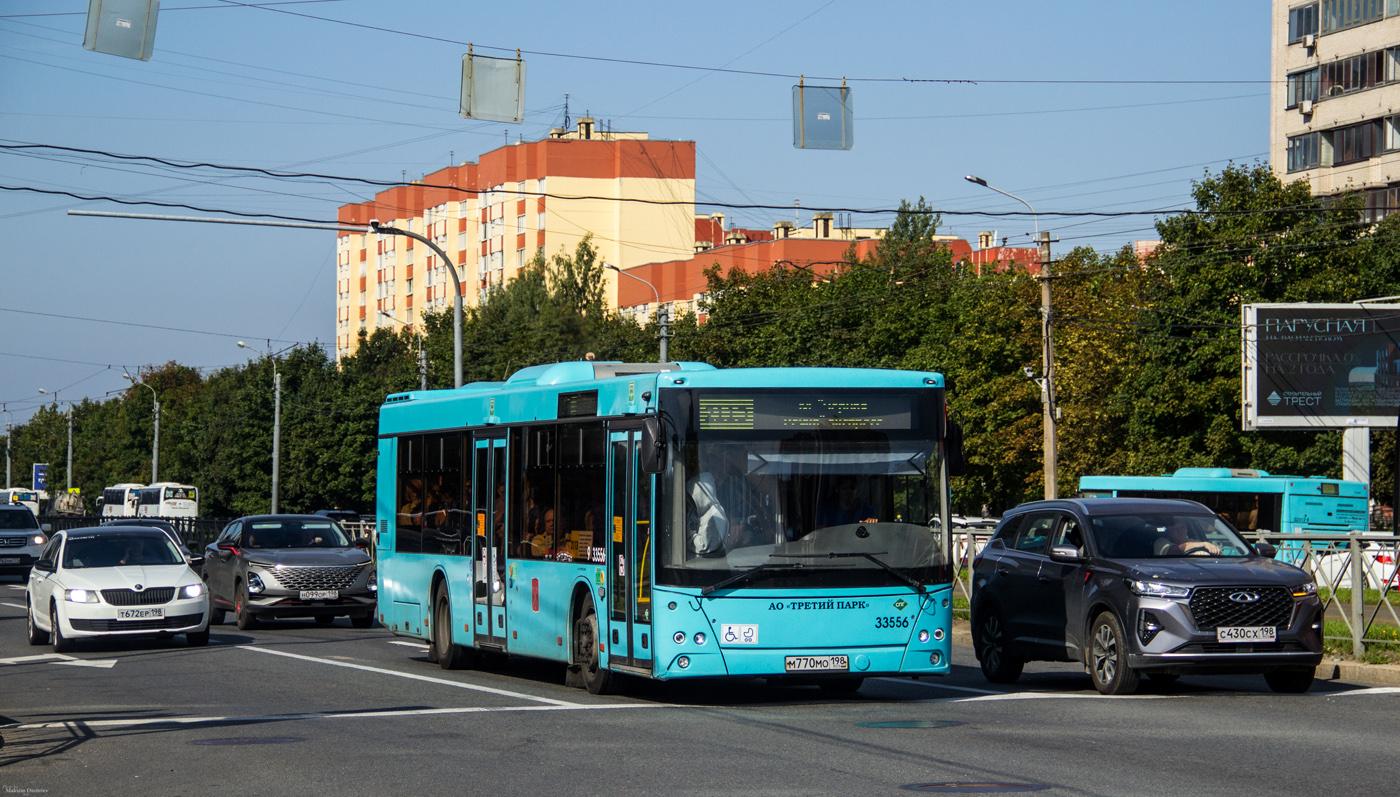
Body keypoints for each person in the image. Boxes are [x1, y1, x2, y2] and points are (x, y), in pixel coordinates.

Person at [687, 472, 727, 556]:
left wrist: (689, 534)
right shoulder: (704, 512)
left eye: (694, 497)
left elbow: (703, 546)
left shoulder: (715, 515)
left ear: (701, 495)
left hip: (709, 561)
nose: (692, 502)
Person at [1155, 518, 1220, 556]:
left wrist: (1213, 549)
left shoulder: (1194, 542)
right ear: (1169, 531)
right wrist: (1203, 544)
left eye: (1182, 527)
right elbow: (1173, 551)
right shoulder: (1161, 542)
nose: (1180, 531)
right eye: (1176, 529)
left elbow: (1212, 551)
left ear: (1187, 529)